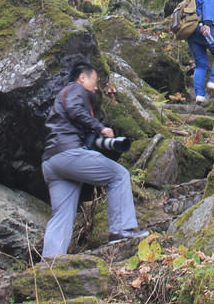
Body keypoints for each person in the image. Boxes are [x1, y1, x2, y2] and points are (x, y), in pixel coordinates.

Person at [41, 61, 147, 259]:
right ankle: (121, 230)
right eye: (95, 81)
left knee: (62, 214)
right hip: (69, 154)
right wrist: (100, 128)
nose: (96, 87)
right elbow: (75, 109)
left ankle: (50, 263)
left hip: (51, 162)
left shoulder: (61, 99)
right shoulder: (75, 89)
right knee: (119, 175)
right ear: (83, 77)